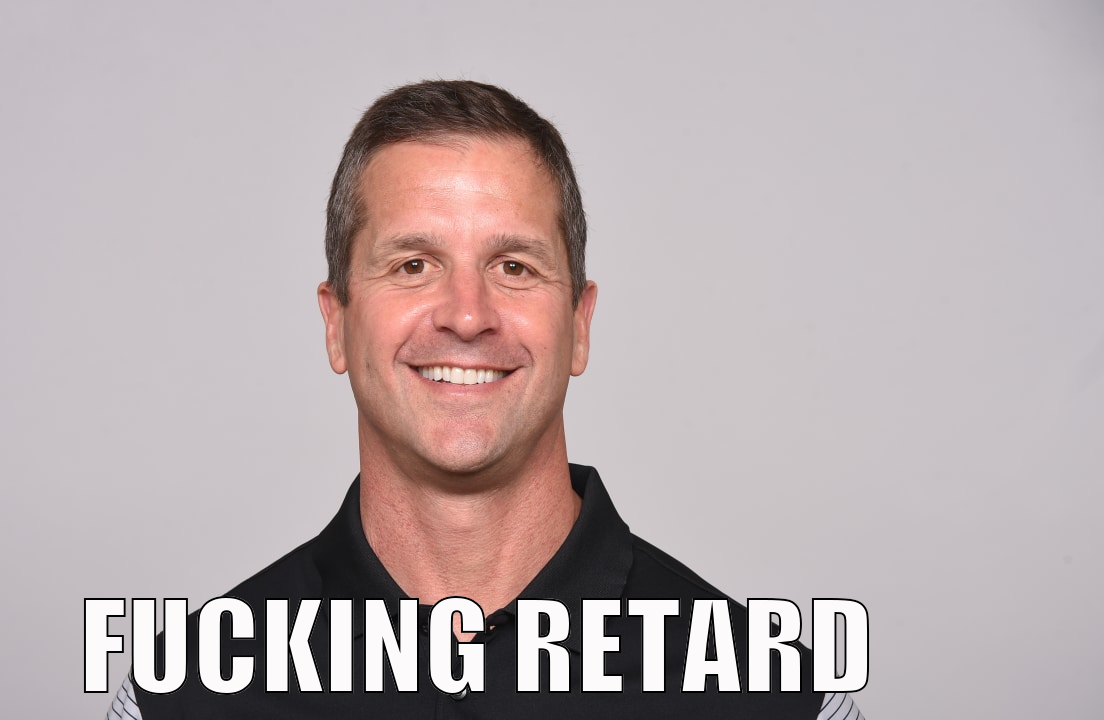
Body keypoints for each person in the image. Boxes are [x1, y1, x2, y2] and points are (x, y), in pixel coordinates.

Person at [106, 79, 865, 720]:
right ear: (336, 324)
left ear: (579, 325)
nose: (467, 316)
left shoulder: (777, 699)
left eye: (513, 267)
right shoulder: (181, 699)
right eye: (412, 265)